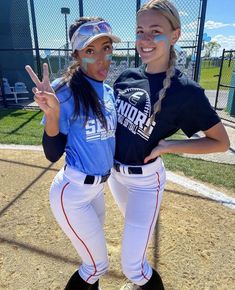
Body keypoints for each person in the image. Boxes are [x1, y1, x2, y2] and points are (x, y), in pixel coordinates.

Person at [108, 1, 230, 289]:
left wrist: (167, 146)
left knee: (131, 266)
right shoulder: (126, 77)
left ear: (174, 36)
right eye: (140, 31)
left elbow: (220, 142)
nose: (145, 39)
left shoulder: (185, 90)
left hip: (146, 183)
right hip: (116, 177)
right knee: (134, 243)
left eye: (155, 31)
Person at [25, 17, 121, 290]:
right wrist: (53, 114)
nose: (101, 58)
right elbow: (52, 154)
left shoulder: (108, 92)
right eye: (90, 51)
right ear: (76, 55)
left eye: (106, 48)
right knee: (97, 265)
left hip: (96, 191)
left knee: (92, 263)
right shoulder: (64, 92)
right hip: (73, 193)